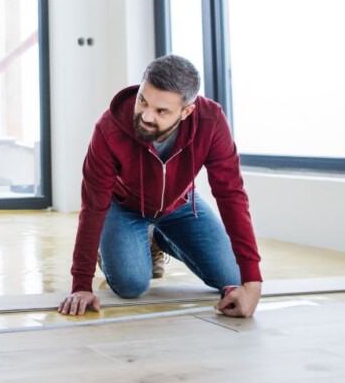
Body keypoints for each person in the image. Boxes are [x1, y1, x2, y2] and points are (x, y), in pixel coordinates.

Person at [59, 54, 262, 318]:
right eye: (143, 100)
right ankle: (115, 249)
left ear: (187, 111)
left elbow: (231, 194)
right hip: (124, 207)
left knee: (231, 277)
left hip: (180, 204)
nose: (145, 115)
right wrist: (81, 283)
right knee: (131, 285)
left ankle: (157, 238)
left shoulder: (211, 123)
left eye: (161, 111)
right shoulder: (109, 129)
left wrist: (252, 282)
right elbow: (93, 204)